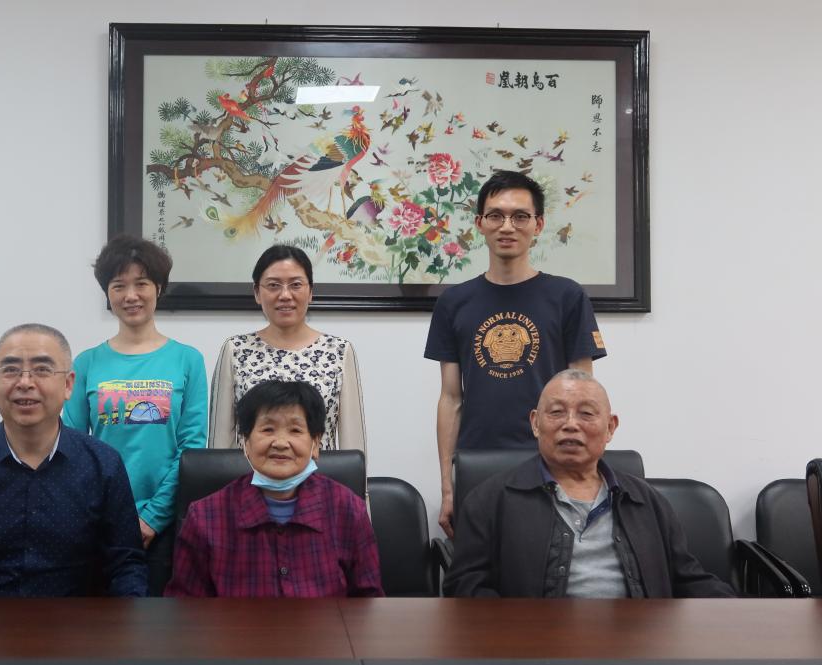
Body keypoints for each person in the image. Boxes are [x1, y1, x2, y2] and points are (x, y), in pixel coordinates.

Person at [425, 170, 607, 537]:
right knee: (482, 569)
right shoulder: (453, 302)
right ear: (480, 223)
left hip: (551, 462)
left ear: (538, 224)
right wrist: (448, 485)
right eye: (496, 215)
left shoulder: (567, 297)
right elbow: (451, 398)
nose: (507, 226)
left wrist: (583, 476)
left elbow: (584, 396)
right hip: (477, 464)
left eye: (520, 216)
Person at [443, 369, 734, 598]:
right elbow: (465, 587)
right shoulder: (489, 500)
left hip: (640, 644)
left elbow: (688, 579)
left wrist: (743, 614)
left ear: (610, 427)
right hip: (535, 646)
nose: (571, 424)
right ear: (535, 423)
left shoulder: (647, 502)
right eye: (557, 412)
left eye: (586, 413)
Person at [0, 324, 147, 597]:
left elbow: (126, 567)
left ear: (68, 384)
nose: (25, 383)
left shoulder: (103, 465)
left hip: (74, 621)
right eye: (10, 370)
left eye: (42, 369)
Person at [63, 235, 208, 596]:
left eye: (141, 283)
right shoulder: (86, 363)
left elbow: (191, 449)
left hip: (163, 524)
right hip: (98, 521)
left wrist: (151, 518)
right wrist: (103, 515)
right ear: (107, 294)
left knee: (158, 623)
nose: (131, 295)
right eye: (118, 286)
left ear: (158, 288)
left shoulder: (187, 360)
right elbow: (72, 446)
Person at [165, 380, 383, 597]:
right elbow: (185, 608)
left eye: (295, 430)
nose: (280, 442)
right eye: (268, 429)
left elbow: (369, 603)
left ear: (315, 443)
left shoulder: (348, 510)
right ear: (246, 442)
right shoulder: (205, 517)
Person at [209, 245, 366, 453]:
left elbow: (353, 446)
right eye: (273, 285)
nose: (285, 295)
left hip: (319, 473)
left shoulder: (338, 351)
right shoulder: (235, 349)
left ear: (310, 292)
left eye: (296, 285)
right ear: (257, 293)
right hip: (251, 473)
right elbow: (219, 442)